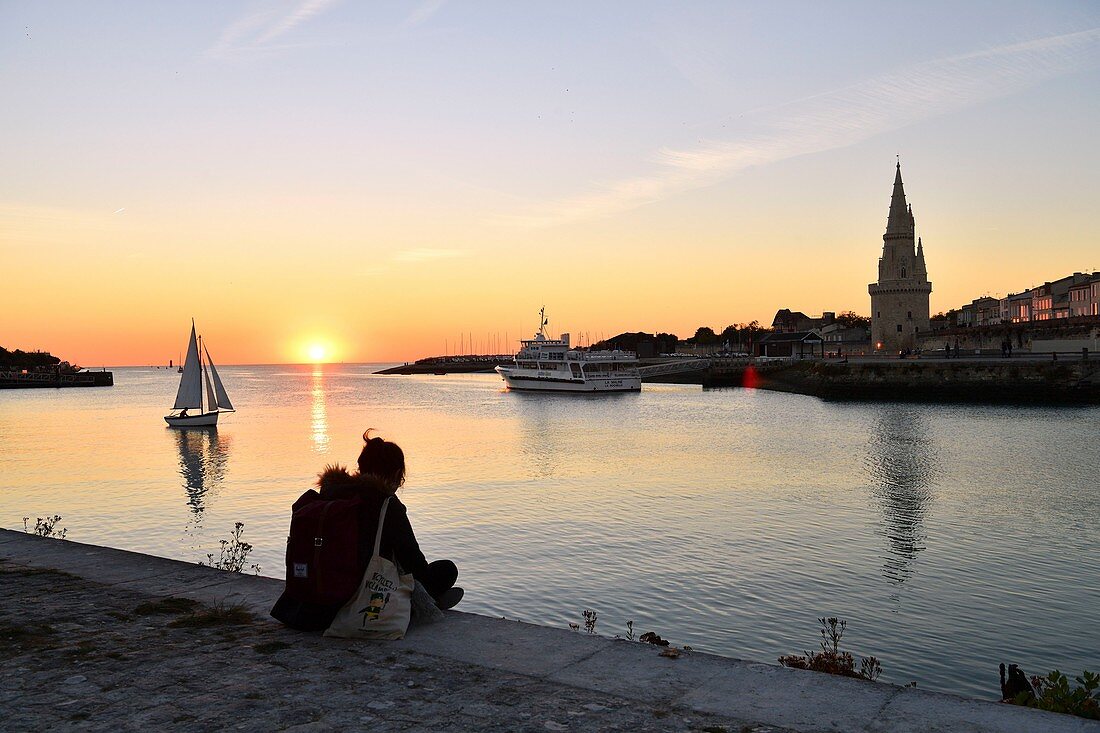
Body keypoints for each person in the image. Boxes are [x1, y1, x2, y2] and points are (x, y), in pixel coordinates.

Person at [271, 430, 462, 631]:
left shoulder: (328, 495)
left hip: (306, 604)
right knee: (446, 569)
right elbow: (413, 561)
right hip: (358, 598)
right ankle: (426, 603)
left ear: (360, 468)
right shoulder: (386, 505)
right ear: (397, 474)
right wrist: (426, 587)